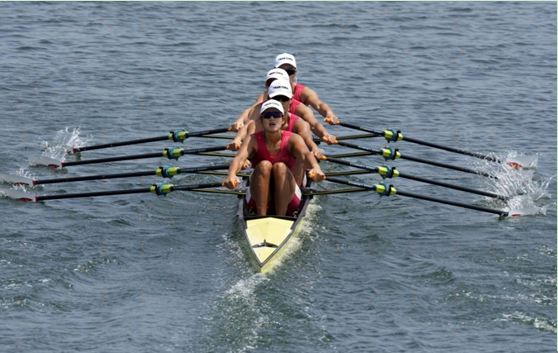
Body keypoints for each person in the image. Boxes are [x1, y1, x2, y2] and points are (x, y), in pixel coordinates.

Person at [223, 100, 325, 217]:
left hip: (289, 197)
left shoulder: (294, 139)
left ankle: (281, 216)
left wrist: (316, 168)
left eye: (276, 115)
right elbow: (239, 158)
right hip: (257, 198)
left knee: (280, 167)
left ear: (283, 120)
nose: (272, 118)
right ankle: (261, 217)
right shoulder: (252, 140)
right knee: (264, 165)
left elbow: (306, 155)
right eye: (267, 115)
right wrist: (231, 175)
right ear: (261, 121)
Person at [231, 69, 336, 144]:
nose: (273, 85)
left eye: (283, 99)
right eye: (270, 84)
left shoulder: (299, 107)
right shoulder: (261, 103)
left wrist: (325, 135)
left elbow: (314, 124)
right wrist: (238, 138)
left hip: (295, 142)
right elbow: (249, 122)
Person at [228, 79, 325, 160]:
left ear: (291, 100)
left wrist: (315, 149)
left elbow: (308, 140)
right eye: (276, 98)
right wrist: (238, 141)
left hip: (291, 163)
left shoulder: (300, 123)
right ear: (268, 98)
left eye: (284, 99)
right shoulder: (258, 118)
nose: (280, 102)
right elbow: (247, 129)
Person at [275, 53, 341, 125]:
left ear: (295, 73)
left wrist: (329, 114)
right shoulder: (268, 94)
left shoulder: (304, 92)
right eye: (283, 71)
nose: (286, 75)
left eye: (290, 72)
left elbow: (319, 105)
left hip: (300, 131)